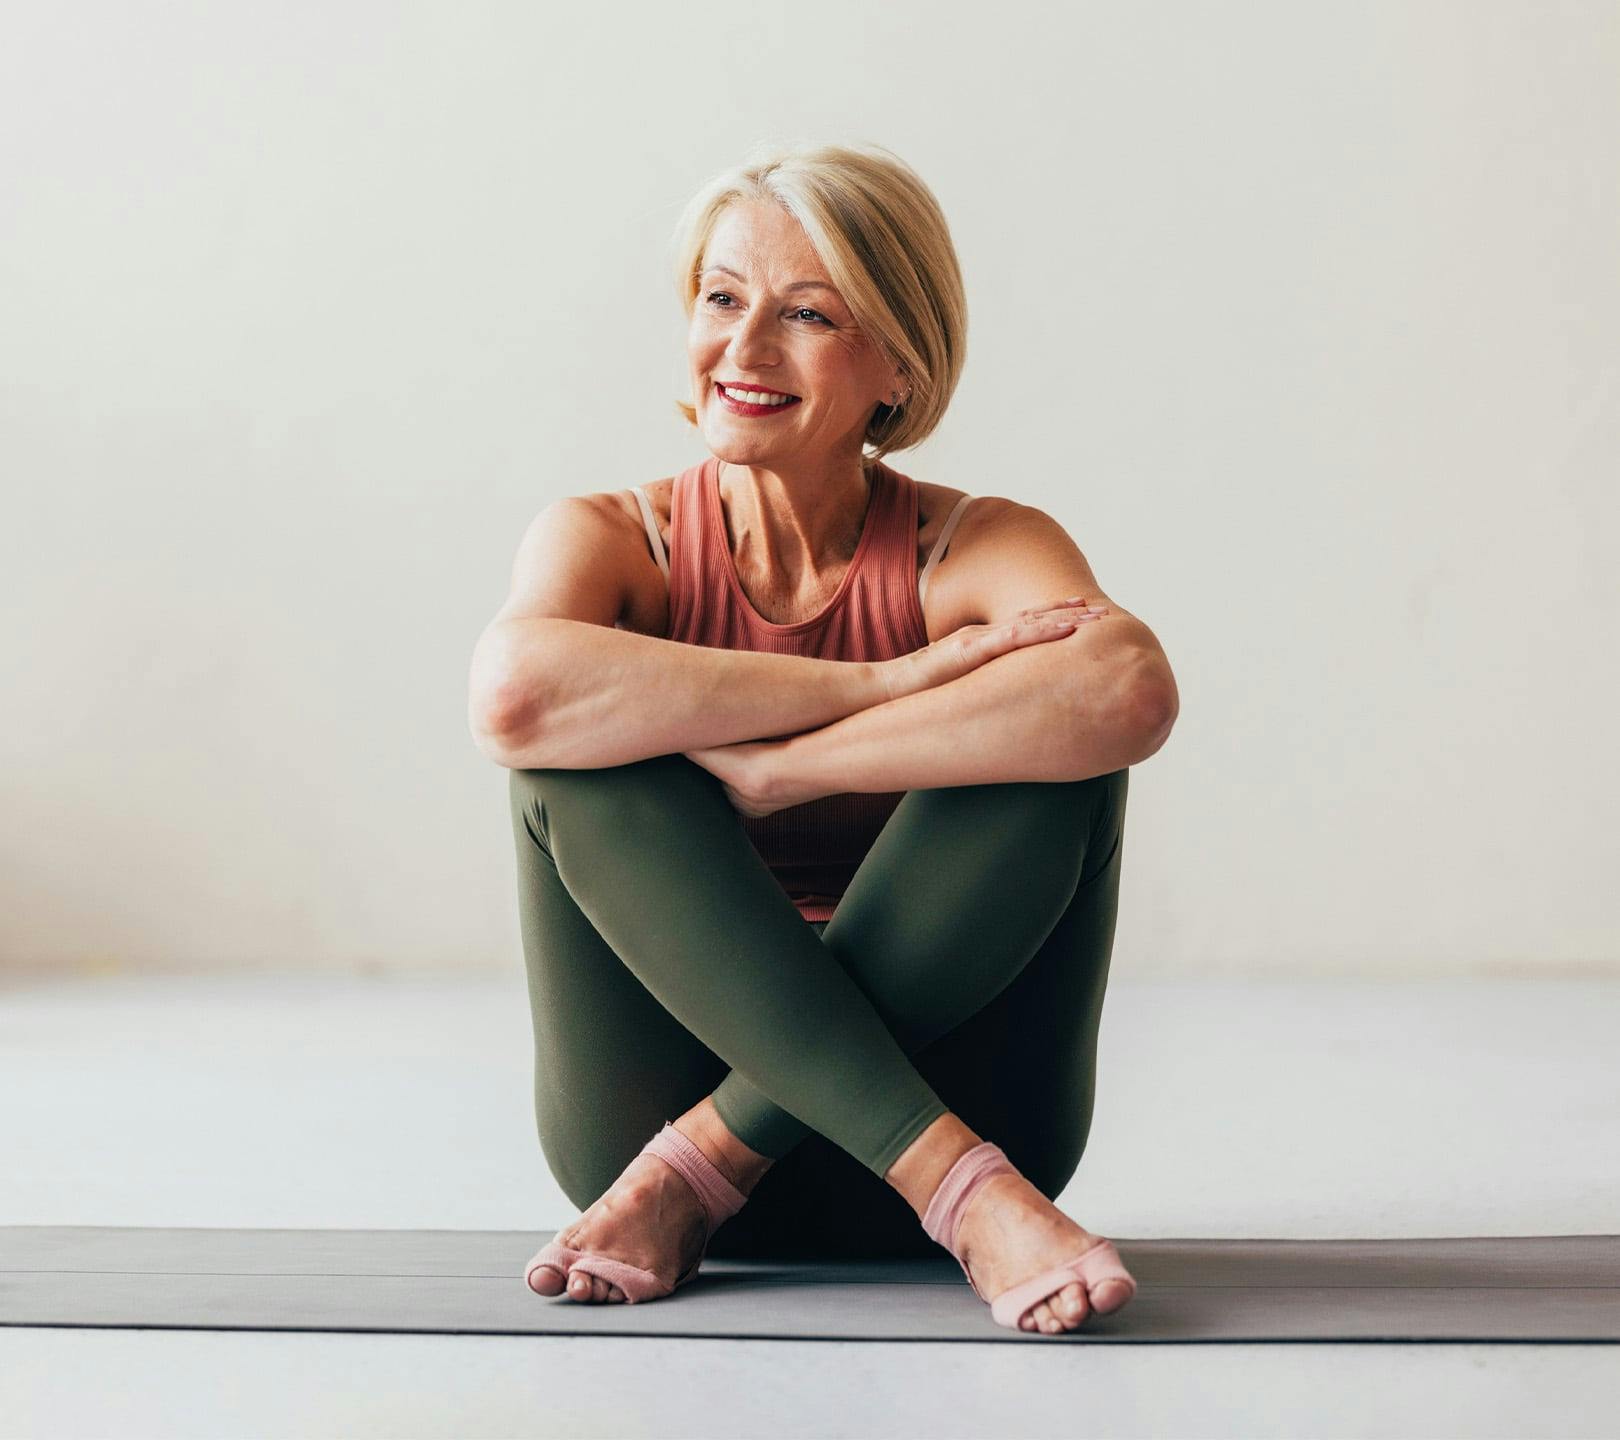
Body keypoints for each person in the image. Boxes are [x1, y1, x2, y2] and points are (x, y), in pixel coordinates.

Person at [467, 142, 1178, 1335]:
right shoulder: (615, 539)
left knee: (1056, 752)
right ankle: (956, 1188)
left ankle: (725, 1159)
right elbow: (515, 698)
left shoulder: (972, 546)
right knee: (577, 757)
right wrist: (880, 683)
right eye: (722, 299)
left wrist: (785, 768)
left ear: (898, 362)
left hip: (880, 1127)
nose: (744, 353)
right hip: (645, 1122)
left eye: (806, 313)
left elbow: (1126, 685)